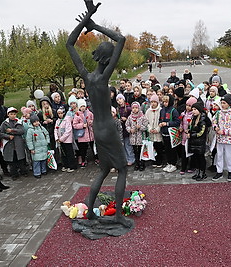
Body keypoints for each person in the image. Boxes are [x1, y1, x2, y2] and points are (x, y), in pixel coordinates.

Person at [66, 1, 132, 227]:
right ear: (107, 60)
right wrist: (95, 25)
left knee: (104, 170)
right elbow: (121, 39)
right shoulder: (103, 79)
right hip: (109, 129)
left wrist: (86, 20)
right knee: (122, 169)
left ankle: (90, 209)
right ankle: (119, 216)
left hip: (96, 129)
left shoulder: (87, 77)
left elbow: (69, 44)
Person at [212, 94, 231, 182]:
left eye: (224, 103)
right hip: (219, 138)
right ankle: (219, 171)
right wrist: (215, 127)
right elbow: (214, 121)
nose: (222, 105)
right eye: (221, 103)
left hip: (228, 139)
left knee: (229, 155)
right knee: (219, 154)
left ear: (228, 104)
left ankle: (230, 171)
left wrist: (224, 132)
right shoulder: (219, 113)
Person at [0, 107, 28, 180]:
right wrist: (8, 136)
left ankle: (23, 171)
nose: (13, 116)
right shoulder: (4, 123)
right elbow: (0, 133)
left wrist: (12, 130)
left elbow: (22, 131)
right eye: (11, 114)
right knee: (12, 161)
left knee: (20, 159)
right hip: (9, 145)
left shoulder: (18, 122)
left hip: (18, 144)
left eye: (14, 114)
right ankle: (14, 174)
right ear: (8, 114)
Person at [73, 99, 97, 168]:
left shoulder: (89, 113)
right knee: (83, 149)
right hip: (82, 135)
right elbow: (74, 125)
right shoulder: (77, 115)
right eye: (81, 106)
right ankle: (83, 160)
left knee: (93, 147)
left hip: (90, 134)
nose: (83, 108)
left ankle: (96, 158)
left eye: (84, 106)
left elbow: (94, 120)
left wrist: (91, 122)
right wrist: (82, 125)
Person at [159, 95, 180, 173]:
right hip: (164, 133)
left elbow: (177, 121)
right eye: (163, 102)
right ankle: (169, 163)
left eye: (166, 102)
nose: (165, 103)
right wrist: (160, 123)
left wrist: (167, 124)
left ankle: (173, 164)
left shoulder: (173, 110)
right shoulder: (162, 110)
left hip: (171, 133)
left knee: (172, 150)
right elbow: (160, 119)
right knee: (167, 149)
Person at [188, 102, 209, 181]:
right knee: (196, 157)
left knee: (201, 157)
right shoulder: (193, 118)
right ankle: (198, 171)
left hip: (200, 142)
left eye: (195, 109)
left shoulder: (202, 120)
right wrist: (189, 131)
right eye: (192, 109)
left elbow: (201, 132)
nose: (193, 111)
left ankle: (202, 172)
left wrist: (192, 135)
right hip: (194, 142)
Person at [126, 102, 148, 171]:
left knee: (141, 151)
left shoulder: (142, 116)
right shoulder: (130, 117)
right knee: (135, 151)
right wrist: (130, 130)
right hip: (133, 137)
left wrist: (140, 127)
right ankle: (137, 163)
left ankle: (142, 163)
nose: (134, 109)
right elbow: (127, 125)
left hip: (140, 137)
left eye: (136, 108)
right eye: (133, 108)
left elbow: (146, 126)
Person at [54, 108, 76, 172]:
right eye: (58, 113)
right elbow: (55, 129)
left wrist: (62, 138)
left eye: (61, 113)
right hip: (60, 140)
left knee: (69, 153)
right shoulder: (57, 121)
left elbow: (68, 131)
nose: (60, 115)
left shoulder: (67, 120)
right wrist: (57, 138)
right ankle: (65, 165)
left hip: (67, 140)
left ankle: (72, 166)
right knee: (63, 153)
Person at [145, 94, 164, 168]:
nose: (153, 103)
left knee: (159, 147)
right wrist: (149, 129)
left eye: (154, 102)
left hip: (157, 132)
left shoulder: (160, 110)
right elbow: (146, 121)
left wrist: (157, 129)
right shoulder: (148, 111)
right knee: (153, 148)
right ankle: (154, 160)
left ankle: (159, 161)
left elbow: (161, 120)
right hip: (151, 133)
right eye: (152, 102)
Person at [179, 97, 196, 175]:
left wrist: (190, 130)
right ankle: (183, 167)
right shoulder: (183, 114)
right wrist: (181, 128)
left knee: (191, 152)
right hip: (184, 136)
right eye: (187, 105)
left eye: (190, 106)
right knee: (183, 153)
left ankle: (192, 166)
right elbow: (181, 123)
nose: (188, 107)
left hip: (191, 136)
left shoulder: (194, 115)